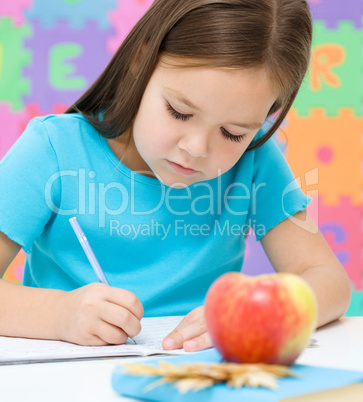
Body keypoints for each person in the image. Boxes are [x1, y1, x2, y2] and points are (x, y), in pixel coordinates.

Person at [0, 0, 351, 352]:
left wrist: (267, 312)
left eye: (232, 133)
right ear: (140, 63)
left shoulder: (254, 161)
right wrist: (59, 315)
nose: (197, 148)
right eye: (180, 112)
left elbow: (330, 282)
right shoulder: (54, 149)